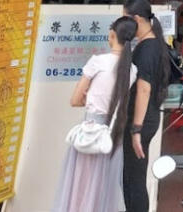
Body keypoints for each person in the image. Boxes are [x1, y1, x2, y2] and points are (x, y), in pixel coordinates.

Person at [52, 16, 137, 212]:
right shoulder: (132, 70)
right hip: (112, 135)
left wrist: (87, 97)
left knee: (80, 188)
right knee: (102, 188)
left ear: (112, 35)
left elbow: (74, 100)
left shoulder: (98, 62)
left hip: (89, 133)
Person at [122, 0, 172, 212]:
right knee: (132, 177)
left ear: (136, 19)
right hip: (144, 117)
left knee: (134, 180)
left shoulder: (148, 48)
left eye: (126, 20)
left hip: (141, 119)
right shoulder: (152, 43)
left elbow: (144, 89)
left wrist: (136, 130)